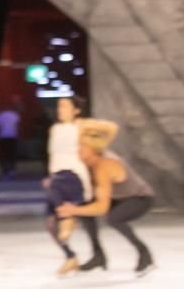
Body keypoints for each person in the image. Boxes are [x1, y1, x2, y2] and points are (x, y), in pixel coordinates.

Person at [57, 126, 156, 277]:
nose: (78, 149)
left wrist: (73, 210)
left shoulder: (104, 165)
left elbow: (102, 207)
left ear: (93, 149)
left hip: (140, 198)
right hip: (119, 197)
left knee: (114, 218)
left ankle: (145, 254)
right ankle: (99, 256)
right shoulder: (90, 162)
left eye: (82, 146)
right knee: (85, 207)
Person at [43, 96, 105, 276]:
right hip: (57, 178)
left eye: (64, 106)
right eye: (59, 106)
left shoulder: (82, 127)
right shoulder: (54, 129)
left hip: (74, 176)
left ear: (76, 110)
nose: (60, 109)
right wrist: (50, 175)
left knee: (68, 217)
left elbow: (101, 143)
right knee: (50, 225)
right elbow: (53, 155)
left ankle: (69, 221)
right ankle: (70, 256)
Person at [0, 103, 21, 179]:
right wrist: (18, 136)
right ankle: (13, 171)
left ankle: (5, 172)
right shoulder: (14, 115)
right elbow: (17, 126)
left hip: (2, 137)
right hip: (12, 136)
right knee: (12, 154)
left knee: (3, 155)